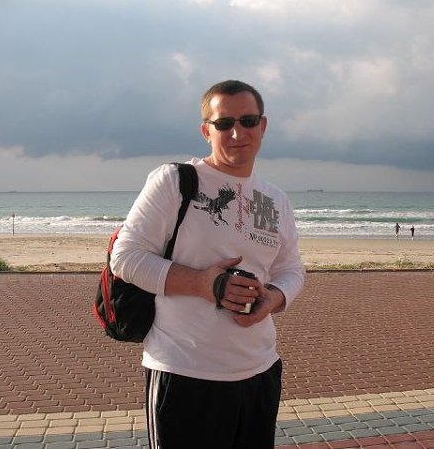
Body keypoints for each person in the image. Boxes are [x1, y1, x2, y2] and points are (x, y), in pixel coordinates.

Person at [110, 80, 305, 449]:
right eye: (224, 123)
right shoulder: (175, 181)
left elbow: (291, 269)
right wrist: (205, 284)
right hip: (185, 373)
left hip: (260, 372)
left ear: (263, 126)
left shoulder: (275, 199)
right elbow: (125, 257)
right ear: (206, 131)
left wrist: (274, 298)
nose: (238, 133)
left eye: (248, 121)